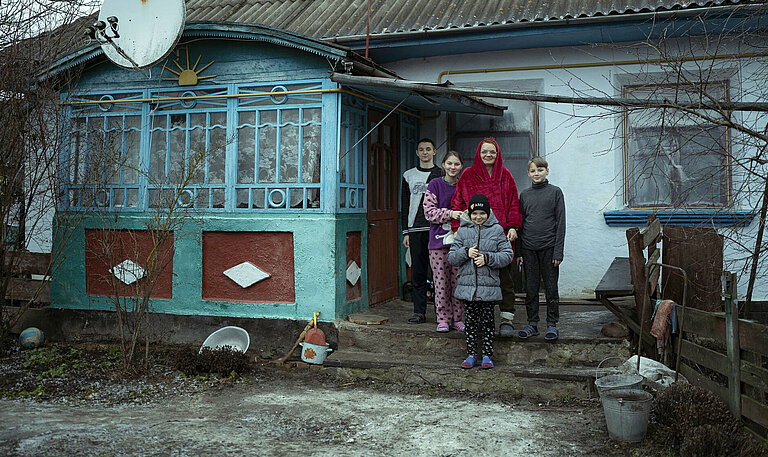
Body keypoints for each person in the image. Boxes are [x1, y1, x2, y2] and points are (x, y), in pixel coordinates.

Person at [451, 138, 521, 336]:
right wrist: (458, 228)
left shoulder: (505, 175)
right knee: (477, 280)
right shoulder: (468, 175)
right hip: (473, 236)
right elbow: (458, 203)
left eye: (492, 152)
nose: (488, 155)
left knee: (505, 280)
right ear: (478, 154)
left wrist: (513, 226)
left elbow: (514, 202)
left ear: (498, 154)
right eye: (484, 152)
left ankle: (507, 319)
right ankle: (478, 321)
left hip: (500, 236)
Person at [448, 194, 514, 369]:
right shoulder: (462, 231)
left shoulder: (497, 230)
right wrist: (466, 252)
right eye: (474, 213)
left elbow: (508, 255)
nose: (478, 217)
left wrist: (487, 258)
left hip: (488, 289)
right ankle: (471, 355)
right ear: (469, 214)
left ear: (488, 213)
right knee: (469, 324)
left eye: (482, 213)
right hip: (468, 289)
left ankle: (487, 355)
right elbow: (452, 257)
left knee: (487, 323)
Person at [517, 157, 566, 341]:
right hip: (529, 249)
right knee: (531, 288)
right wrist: (520, 252)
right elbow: (521, 224)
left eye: (540, 170)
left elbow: (561, 223)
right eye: (532, 171)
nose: (536, 174)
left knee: (551, 288)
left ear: (547, 171)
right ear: (528, 173)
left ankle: (552, 325)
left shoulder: (555, 193)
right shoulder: (525, 195)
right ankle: (532, 323)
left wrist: (558, 251)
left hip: (549, 248)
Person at [423, 151, 464, 333]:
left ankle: (459, 319)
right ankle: (443, 319)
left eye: (456, 164)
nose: (452, 167)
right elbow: (429, 212)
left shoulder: (464, 186)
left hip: (461, 244)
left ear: (461, 166)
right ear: (443, 164)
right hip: (438, 244)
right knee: (441, 284)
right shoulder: (435, 184)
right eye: (449, 164)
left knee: (458, 283)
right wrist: (450, 214)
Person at [401, 138, 442, 324]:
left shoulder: (441, 174)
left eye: (428, 149)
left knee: (440, 272)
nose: (425, 152)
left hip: (437, 229)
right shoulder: (408, 175)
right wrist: (405, 232)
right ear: (417, 153)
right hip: (415, 229)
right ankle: (419, 311)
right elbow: (404, 204)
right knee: (418, 272)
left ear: (434, 151)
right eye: (421, 149)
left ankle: (443, 313)